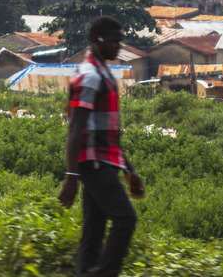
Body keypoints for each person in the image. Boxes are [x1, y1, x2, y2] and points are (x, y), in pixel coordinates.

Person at [58, 16, 145, 277]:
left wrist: (129, 170)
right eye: (115, 41)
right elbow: (76, 127)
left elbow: (108, 134)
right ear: (98, 40)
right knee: (125, 219)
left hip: (103, 160)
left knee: (93, 234)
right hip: (94, 165)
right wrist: (71, 176)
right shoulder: (90, 76)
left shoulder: (104, 73)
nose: (119, 46)